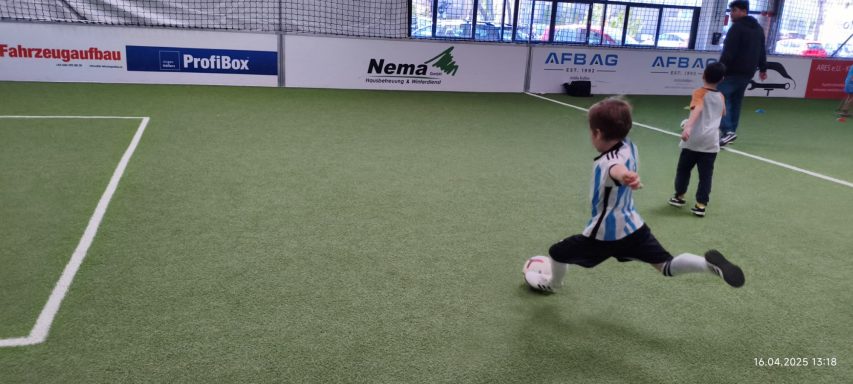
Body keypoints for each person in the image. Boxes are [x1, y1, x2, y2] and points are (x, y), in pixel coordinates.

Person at [524, 97, 745, 293]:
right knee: (666, 266)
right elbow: (620, 164)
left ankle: (553, 285)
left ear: (597, 133)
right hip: (634, 227)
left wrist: (625, 176)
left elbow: (616, 169)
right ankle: (708, 266)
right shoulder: (629, 146)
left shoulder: (608, 162)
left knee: (557, 252)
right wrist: (627, 175)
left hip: (604, 234)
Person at [668, 62, 727, 217]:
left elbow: (698, 108)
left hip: (694, 140)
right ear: (722, 79)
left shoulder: (699, 93)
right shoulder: (721, 96)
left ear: (703, 75)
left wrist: (688, 126)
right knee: (706, 175)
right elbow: (723, 113)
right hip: (711, 143)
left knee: (683, 170)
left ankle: (679, 196)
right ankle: (701, 205)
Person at [718, 0, 767, 146]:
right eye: (731, 10)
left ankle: (727, 131)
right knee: (735, 101)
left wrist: (720, 69)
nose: (731, 13)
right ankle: (731, 131)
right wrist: (763, 68)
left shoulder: (736, 28)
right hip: (748, 72)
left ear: (744, 11)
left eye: (734, 10)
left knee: (718, 97)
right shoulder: (758, 29)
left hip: (733, 71)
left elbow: (729, 51)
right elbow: (762, 50)